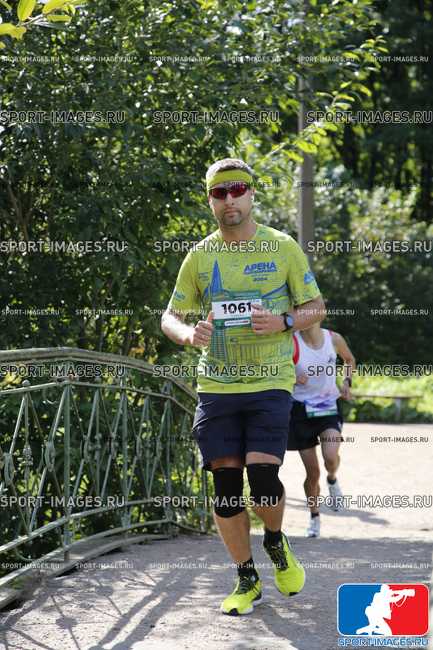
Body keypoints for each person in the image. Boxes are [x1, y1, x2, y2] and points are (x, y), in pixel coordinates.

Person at [161, 157, 326, 615]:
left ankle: (274, 539)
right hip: (217, 384)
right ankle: (246, 577)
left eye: (237, 190)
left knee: (264, 477)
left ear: (252, 194)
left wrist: (285, 321)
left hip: (271, 381)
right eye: (220, 192)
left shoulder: (282, 246)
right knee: (227, 487)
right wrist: (187, 334)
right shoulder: (200, 256)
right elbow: (170, 315)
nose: (229, 199)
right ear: (210, 200)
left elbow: (316, 306)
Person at [287, 322, 356, 538]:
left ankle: (332, 478)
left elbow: (349, 360)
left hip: (328, 407)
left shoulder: (333, 338)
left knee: (330, 457)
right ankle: (314, 516)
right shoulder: (290, 341)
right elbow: (274, 369)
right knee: (312, 473)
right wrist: (291, 376)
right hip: (300, 412)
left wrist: (346, 382)